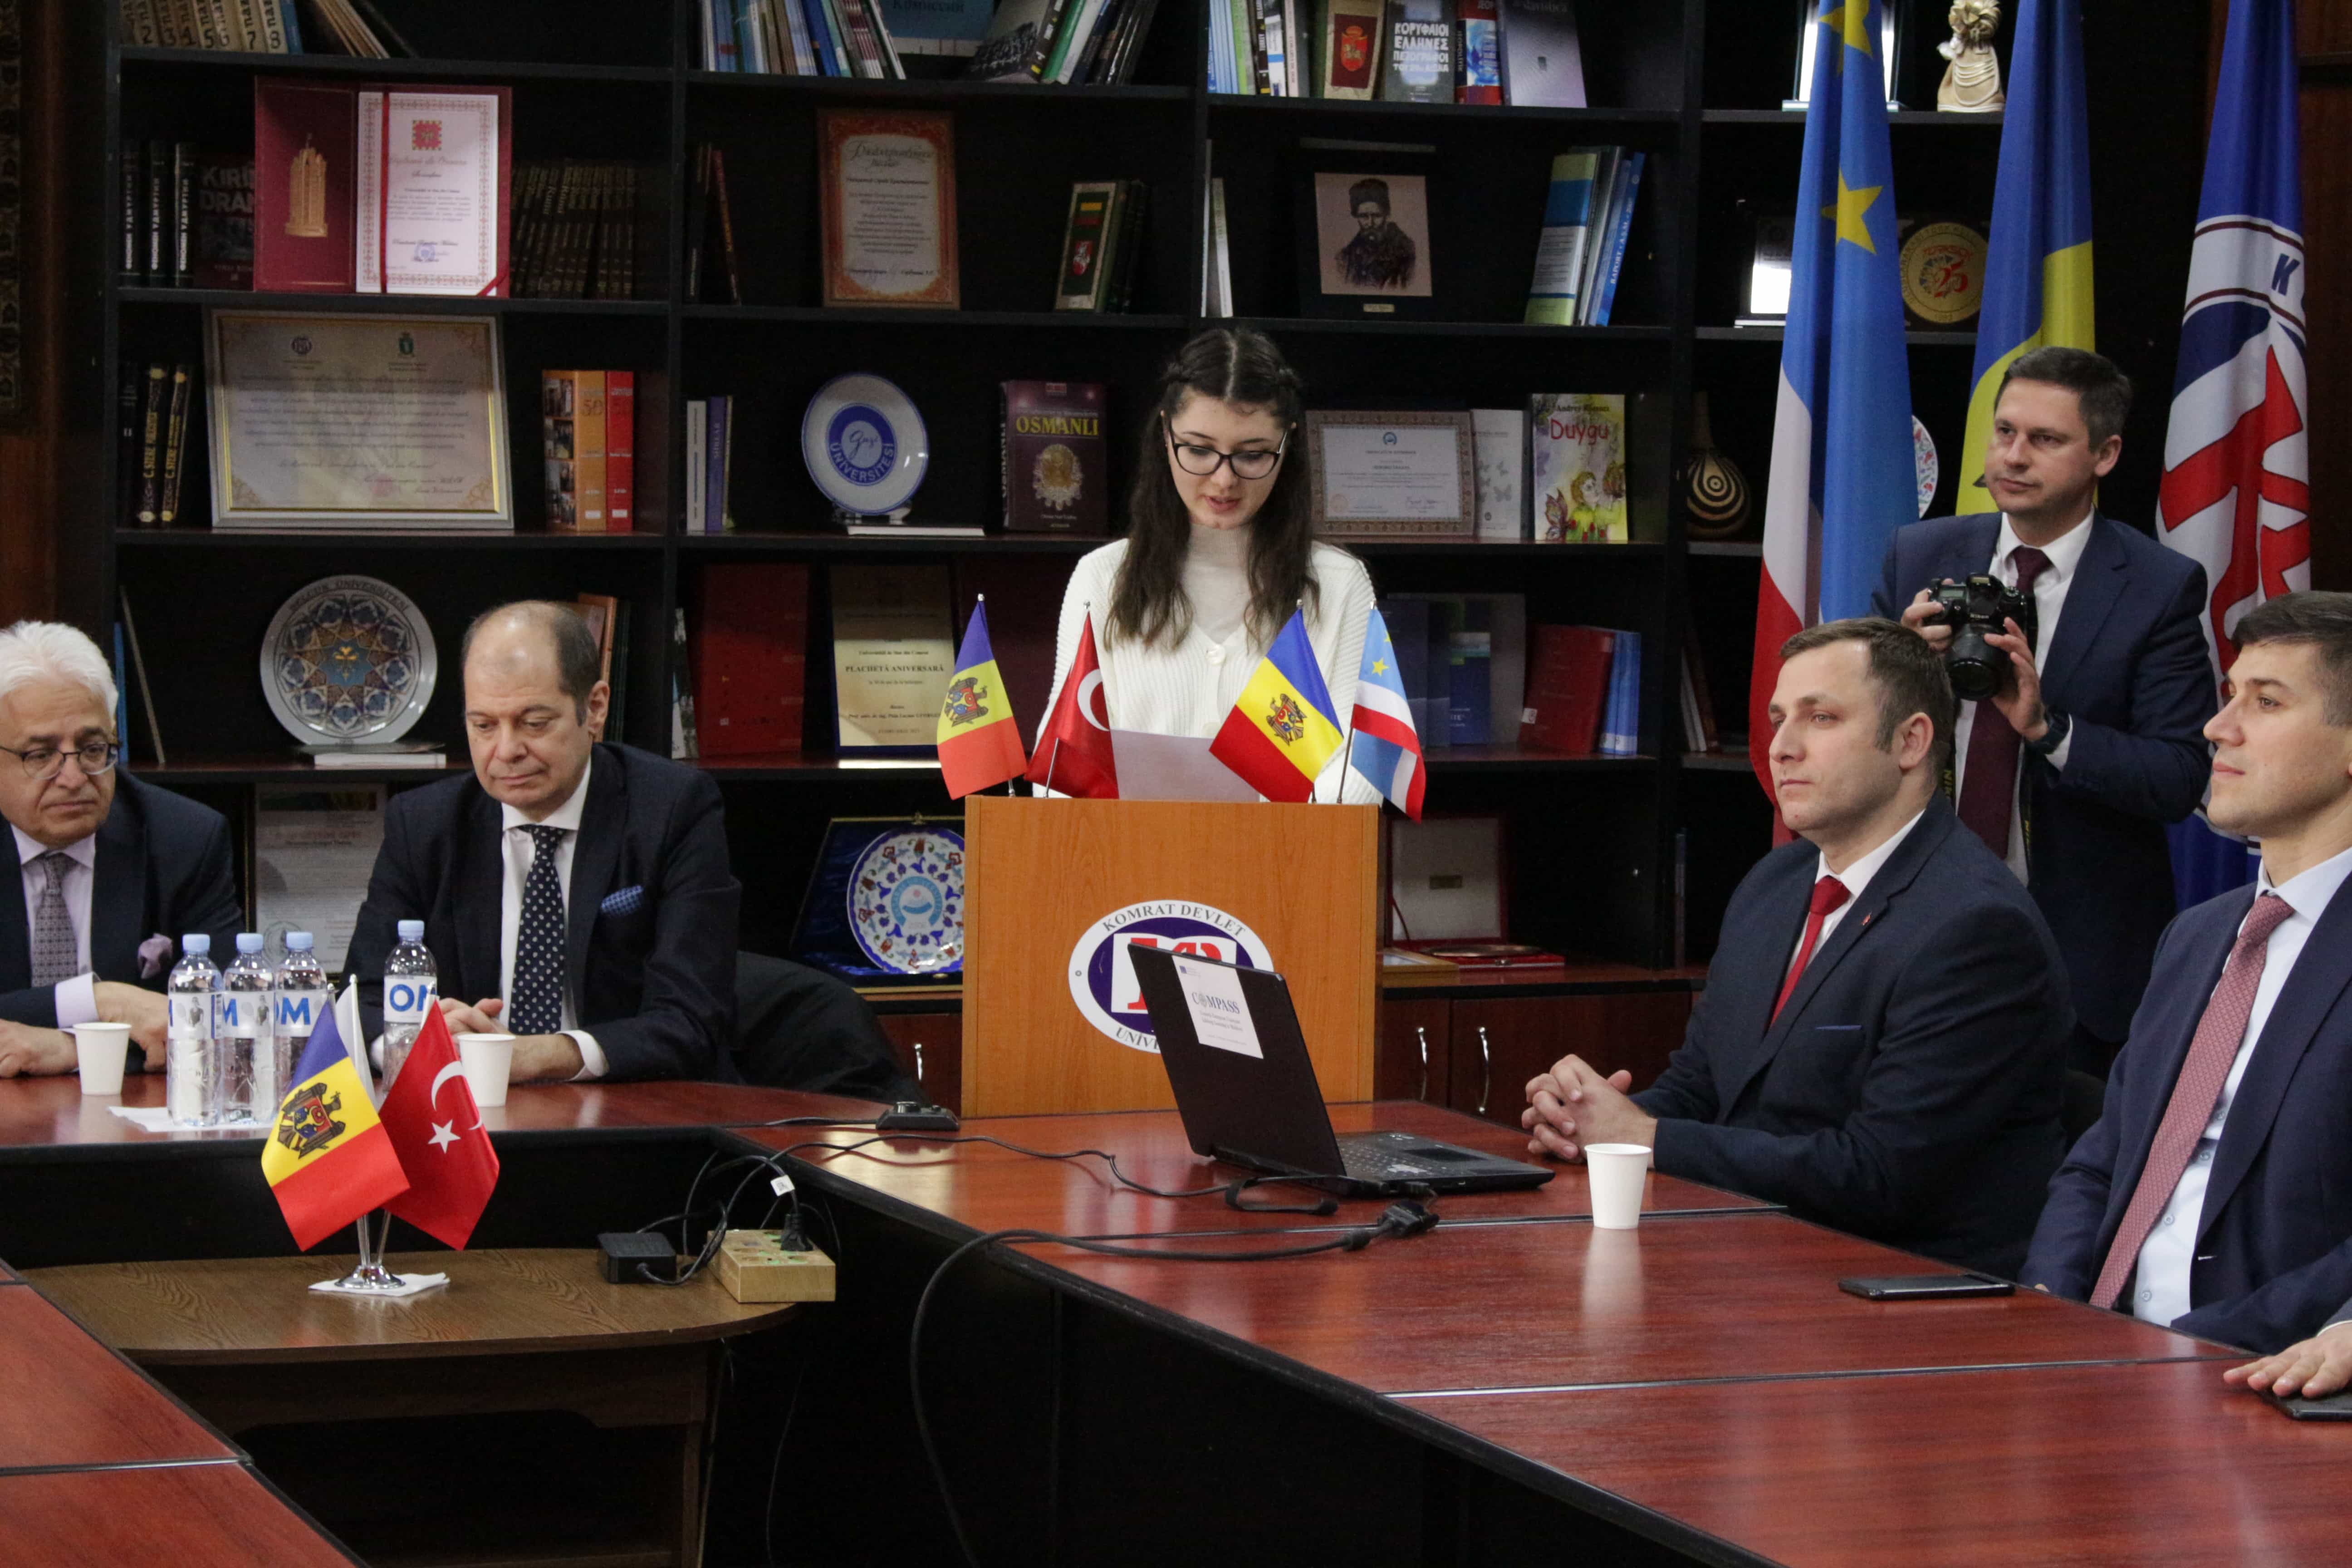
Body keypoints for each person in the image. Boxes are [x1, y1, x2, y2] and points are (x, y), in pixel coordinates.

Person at [1523, 618, 2070, 1275]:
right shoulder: (1775, 883)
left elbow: (1880, 1176)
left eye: (1821, 718)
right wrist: (1589, 1123)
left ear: (1911, 741)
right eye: (1779, 720)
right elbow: (1703, 1089)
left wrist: (1645, 1138)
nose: (1782, 748)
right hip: (1750, 1258)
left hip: (1899, 1289)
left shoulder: (1976, 928)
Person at [2025, 593, 2352, 1393]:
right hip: (2089, 1364)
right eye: (2228, 696)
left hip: (2253, 1382)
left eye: (2265, 702)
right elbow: (2102, 1160)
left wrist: (2188, 1350)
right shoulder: (2197, 936)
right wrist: (2049, 1305)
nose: (2216, 728)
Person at [1872, 346, 2214, 1076]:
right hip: (1912, 927)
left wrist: (2047, 730)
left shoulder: (2159, 587)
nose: (2014, 456)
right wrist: (1898, 668)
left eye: (2045, 439)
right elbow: (1852, 730)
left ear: (2105, 454)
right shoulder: (1919, 555)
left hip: (2077, 957)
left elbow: (2180, 775)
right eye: (2005, 432)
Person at [348, 602, 739, 1083]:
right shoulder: (424, 824)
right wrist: (416, 1045)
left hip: (628, 1103)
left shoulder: (674, 809)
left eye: (534, 724)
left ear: (594, 708)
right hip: (469, 1106)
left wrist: (543, 1054)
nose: (507, 751)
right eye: (483, 725)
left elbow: (693, 1018)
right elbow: (363, 999)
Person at [1046, 327, 1379, 802]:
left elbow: (1357, 769)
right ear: (1166, 436)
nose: (1224, 481)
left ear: (1287, 444)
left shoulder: (1338, 583)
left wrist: (1257, 840)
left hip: (1290, 849)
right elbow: (1064, 763)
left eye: (1253, 455)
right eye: (1199, 450)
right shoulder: (1102, 577)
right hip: (1131, 847)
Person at [0, 620, 240, 1077]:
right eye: (41, 755)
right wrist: (99, 1000)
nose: (73, 778)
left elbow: (225, 1021)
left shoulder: (184, 839)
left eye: (92, 749)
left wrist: (73, 1049)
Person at [1335, 178, 1416, 290]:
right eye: (1364, 216)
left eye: (1377, 216)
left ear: (1387, 215)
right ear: (1356, 216)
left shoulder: (1406, 253)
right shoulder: (1346, 257)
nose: (1370, 223)